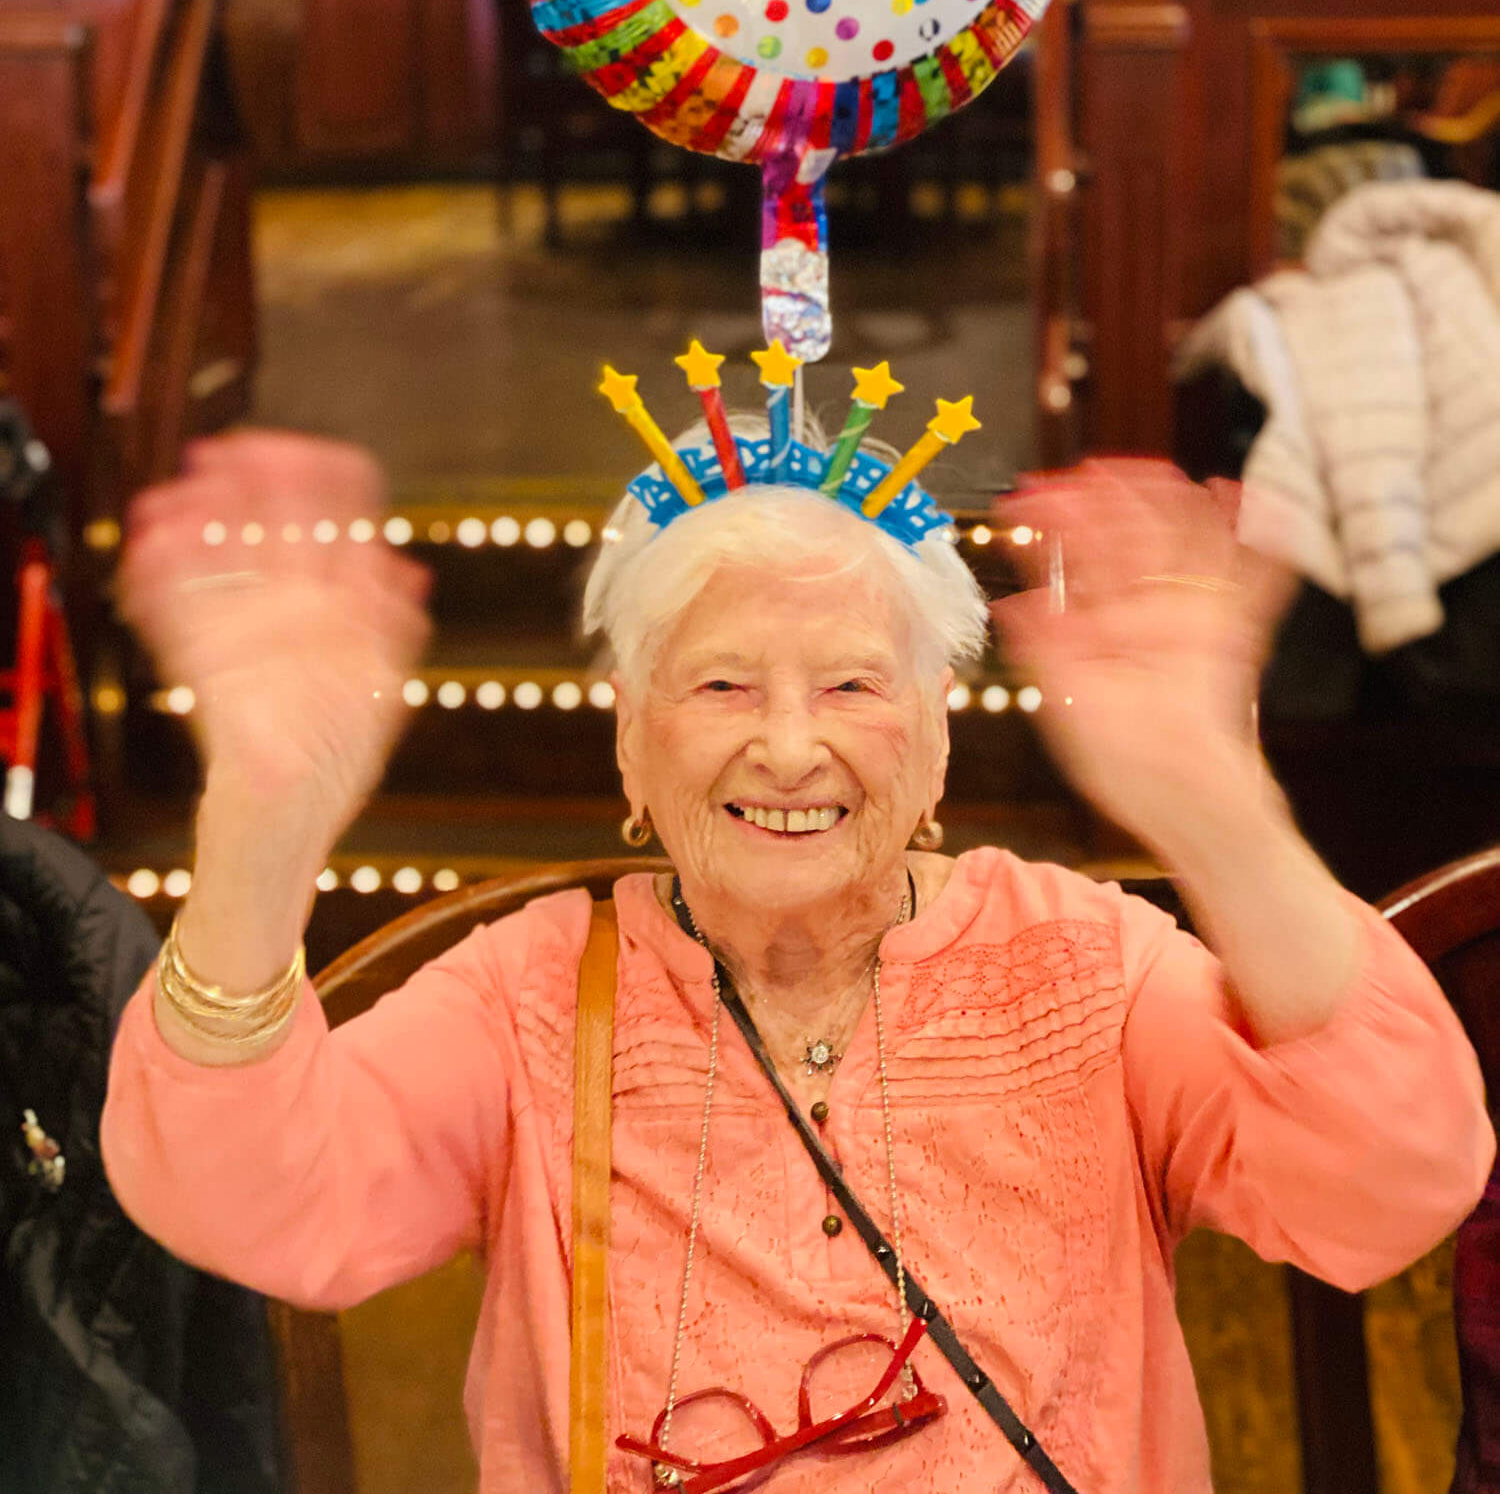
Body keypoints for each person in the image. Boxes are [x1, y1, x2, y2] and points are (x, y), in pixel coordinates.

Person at [102, 428, 1492, 1494]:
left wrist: (1212, 802)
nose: (783, 745)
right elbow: (248, 1198)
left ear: (938, 736)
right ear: (631, 745)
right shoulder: (529, 995)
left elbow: (1388, 1183)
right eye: (718, 685)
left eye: (849, 685)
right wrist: (263, 827)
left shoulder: (1082, 966)